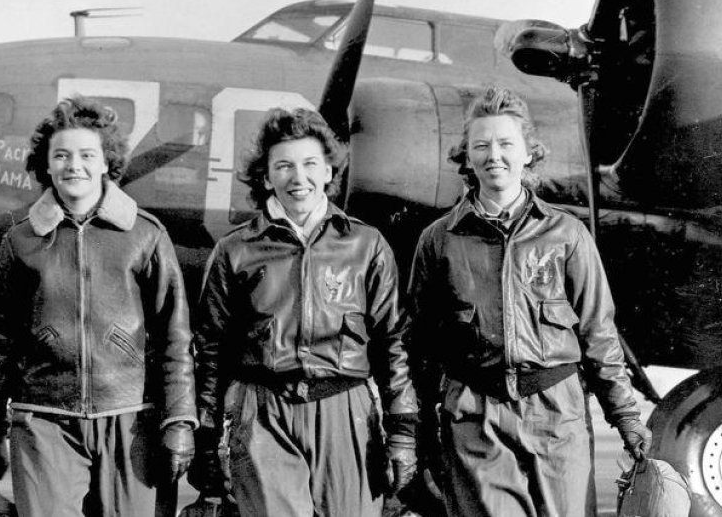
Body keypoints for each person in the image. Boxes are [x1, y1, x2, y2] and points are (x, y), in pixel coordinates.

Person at [408, 86, 651, 517]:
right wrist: (416, 434)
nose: (493, 155)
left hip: (557, 414)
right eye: (480, 145)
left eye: (506, 143)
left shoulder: (568, 235)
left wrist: (627, 418)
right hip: (475, 417)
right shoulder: (438, 241)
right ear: (466, 157)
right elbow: (421, 348)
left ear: (529, 153)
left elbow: (598, 333)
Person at [0, 96, 196, 517]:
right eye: (61, 155)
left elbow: (174, 338)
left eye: (87, 155)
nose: (74, 165)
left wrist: (179, 421)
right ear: (45, 165)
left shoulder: (146, 235)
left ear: (107, 162)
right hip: (42, 420)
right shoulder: (21, 242)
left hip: (130, 419)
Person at [191, 107, 417, 517]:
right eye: (284, 166)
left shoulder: (366, 245)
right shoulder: (236, 251)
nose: (299, 178)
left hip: (345, 409)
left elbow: (392, 341)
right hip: (261, 412)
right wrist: (206, 434)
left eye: (311, 164)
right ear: (265, 177)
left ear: (329, 171)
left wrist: (402, 429)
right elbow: (210, 349)